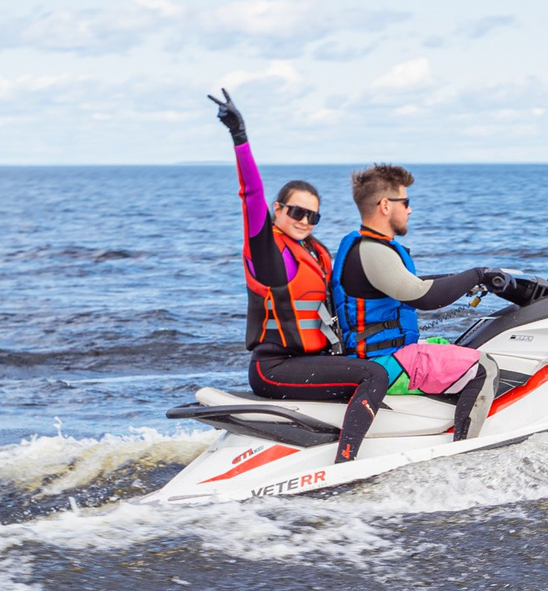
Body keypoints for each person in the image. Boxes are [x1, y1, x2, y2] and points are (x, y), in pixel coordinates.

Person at [212, 89, 389, 463]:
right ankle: (345, 461)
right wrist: (239, 137)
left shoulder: (316, 253)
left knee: (388, 364)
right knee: (373, 376)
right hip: (275, 367)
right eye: (296, 212)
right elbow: (250, 195)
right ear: (277, 210)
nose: (305, 221)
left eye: (313, 216)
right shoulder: (269, 253)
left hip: (311, 358)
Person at [333, 165, 518, 441]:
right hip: (386, 362)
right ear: (385, 205)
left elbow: (409, 283)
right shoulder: (372, 251)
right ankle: (464, 451)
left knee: (452, 347)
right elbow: (425, 296)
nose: (410, 210)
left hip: (384, 354)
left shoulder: (365, 245)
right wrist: (477, 273)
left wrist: (463, 280)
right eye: (405, 202)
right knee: (483, 368)